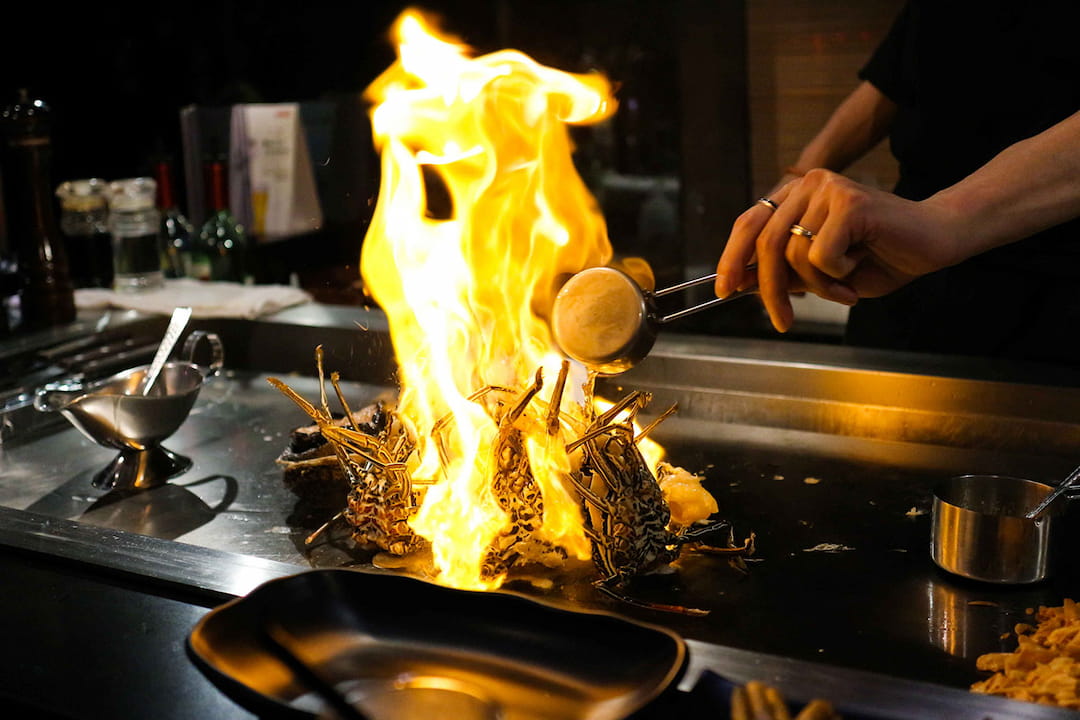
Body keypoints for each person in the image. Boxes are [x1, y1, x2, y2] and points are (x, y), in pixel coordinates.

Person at [715, 1, 1080, 365]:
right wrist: (800, 176)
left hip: (1048, 298)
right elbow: (900, 71)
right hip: (895, 271)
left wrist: (946, 218)